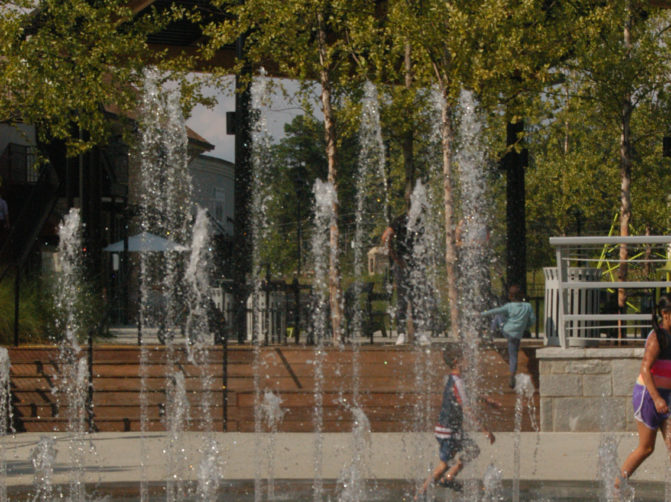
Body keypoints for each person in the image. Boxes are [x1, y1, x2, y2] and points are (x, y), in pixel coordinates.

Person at [415, 347, 499, 500]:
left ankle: (449, 477)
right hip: (447, 430)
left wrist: (485, 399)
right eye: (465, 358)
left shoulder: (455, 379)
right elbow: (466, 408)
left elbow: (465, 392)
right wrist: (485, 430)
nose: (469, 361)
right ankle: (420, 494)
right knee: (443, 465)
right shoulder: (456, 381)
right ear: (457, 361)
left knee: (473, 450)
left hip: (453, 430)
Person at [616, 293, 671, 494]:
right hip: (649, 397)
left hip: (667, 397)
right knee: (646, 448)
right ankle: (616, 486)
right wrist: (656, 398)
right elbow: (645, 369)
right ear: (665, 314)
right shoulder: (658, 337)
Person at [382, 214, 429, 346]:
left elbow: (386, 237)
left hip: (412, 263)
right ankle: (403, 333)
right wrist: (395, 256)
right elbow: (385, 237)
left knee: (415, 298)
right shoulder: (400, 219)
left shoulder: (417, 220)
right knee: (406, 298)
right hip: (404, 263)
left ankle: (416, 333)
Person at [481, 284, 536, 388]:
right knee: (513, 354)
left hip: (506, 331)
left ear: (510, 297)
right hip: (517, 334)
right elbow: (533, 320)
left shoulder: (509, 306)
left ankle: (490, 334)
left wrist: (480, 314)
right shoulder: (528, 307)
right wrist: (526, 327)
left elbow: (494, 311)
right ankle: (512, 375)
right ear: (522, 295)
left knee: (498, 316)